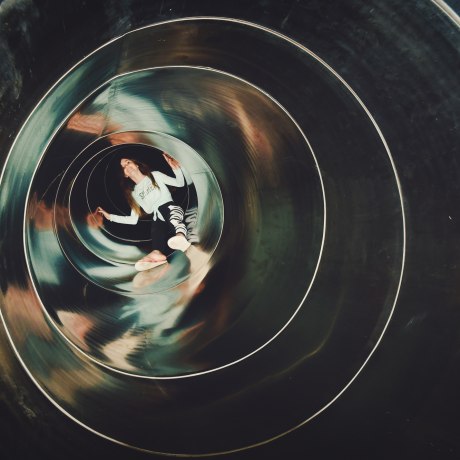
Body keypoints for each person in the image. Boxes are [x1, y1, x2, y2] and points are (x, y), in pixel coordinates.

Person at [97, 153, 191, 271]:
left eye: (128, 162)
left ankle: (180, 236)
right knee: (156, 229)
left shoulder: (154, 175)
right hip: (158, 216)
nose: (126, 166)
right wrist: (110, 216)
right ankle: (157, 253)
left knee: (171, 215)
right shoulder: (135, 193)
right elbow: (132, 220)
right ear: (125, 174)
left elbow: (180, 183)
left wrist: (175, 168)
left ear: (136, 165)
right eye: (123, 167)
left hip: (169, 207)